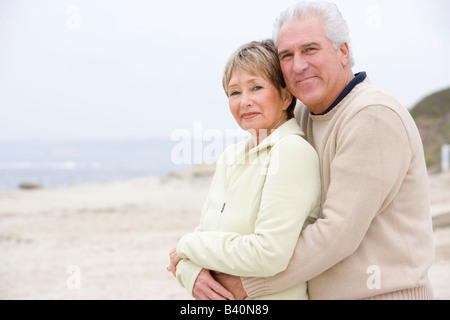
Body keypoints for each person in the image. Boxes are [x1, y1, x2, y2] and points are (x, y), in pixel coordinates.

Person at [197, 1, 435, 300]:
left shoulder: (372, 116)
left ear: (343, 52)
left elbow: (336, 234)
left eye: (310, 49)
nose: (298, 65)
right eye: (287, 55)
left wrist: (245, 285)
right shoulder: (303, 118)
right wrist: (196, 269)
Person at [168, 40, 321, 300]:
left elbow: (268, 254)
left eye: (256, 87)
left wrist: (185, 246)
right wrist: (188, 270)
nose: (245, 102)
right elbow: (207, 232)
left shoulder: (292, 152)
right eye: (234, 92)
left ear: (286, 96)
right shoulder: (232, 156)